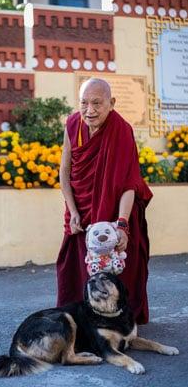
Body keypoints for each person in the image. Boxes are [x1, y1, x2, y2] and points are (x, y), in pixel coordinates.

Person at [56, 78, 152, 324]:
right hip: (81, 207)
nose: (90, 110)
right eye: (84, 103)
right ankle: (79, 318)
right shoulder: (73, 125)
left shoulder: (122, 130)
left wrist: (122, 224)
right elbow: (64, 171)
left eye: (97, 103)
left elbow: (129, 183)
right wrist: (72, 209)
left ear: (112, 103)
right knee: (74, 265)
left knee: (119, 266)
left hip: (113, 211)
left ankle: (117, 321)